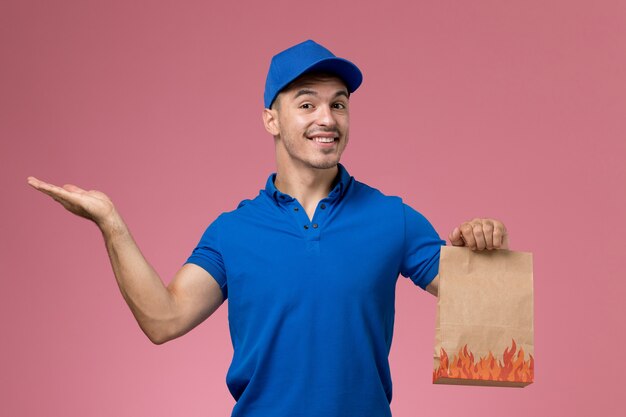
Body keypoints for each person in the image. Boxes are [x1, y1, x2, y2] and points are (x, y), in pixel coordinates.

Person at [28, 40, 509, 417]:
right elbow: (164, 319)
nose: (327, 118)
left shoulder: (393, 218)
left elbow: (485, 299)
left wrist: (482, 249)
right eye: (307, 104)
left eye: (339, 105)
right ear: (271, 119)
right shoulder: (232, 232)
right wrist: (112, 224)